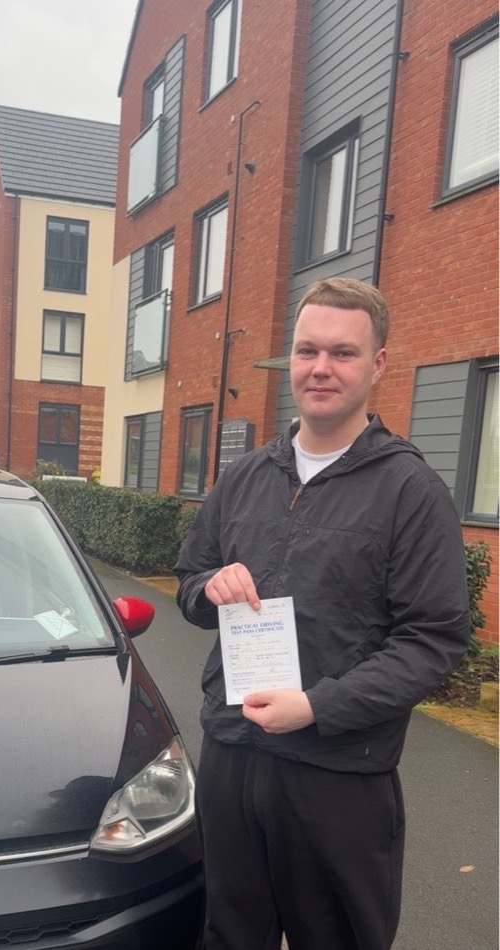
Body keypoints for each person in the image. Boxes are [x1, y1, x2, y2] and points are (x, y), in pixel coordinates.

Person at [175, 277, 471, 950]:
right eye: (308, 351)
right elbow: (191, 581)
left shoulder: (411, 492)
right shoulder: (245, 476)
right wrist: (208, 587)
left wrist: (317, 708)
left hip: (336, 776)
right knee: (228, 935)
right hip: (231, 753)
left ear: (378, 364)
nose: (321, 368)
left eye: (342, 353)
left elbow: (433, 641)